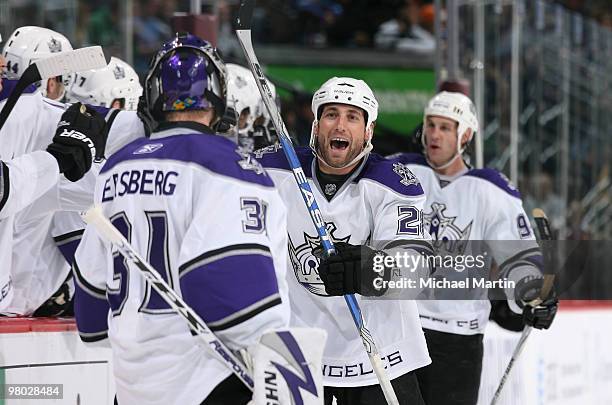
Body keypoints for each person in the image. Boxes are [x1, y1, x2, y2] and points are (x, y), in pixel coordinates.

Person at [72, 33, 292, 404]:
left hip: (131, 388)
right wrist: (284, 374)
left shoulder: (115, 169)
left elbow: (91, 316)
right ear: (219, 96)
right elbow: (236, 298)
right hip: (209, 383)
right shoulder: (229, 165)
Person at [254, 76, 432, 404]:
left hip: (380, 352)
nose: (341, 125)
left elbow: (417, 266)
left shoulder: (393, 183)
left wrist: (371, 270)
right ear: (316, 125)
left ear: (368, 131)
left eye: (353, 117)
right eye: (331, 114)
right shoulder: (274, 171)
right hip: (299, 351)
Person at [391, 91, 558, 404]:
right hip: (398, 329)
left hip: (457, 341)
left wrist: (532, 291)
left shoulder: (491, 189)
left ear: (465, 134)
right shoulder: (399, 172)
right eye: (430, 125)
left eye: (445, 127)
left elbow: (519, 255)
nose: (434, 134)